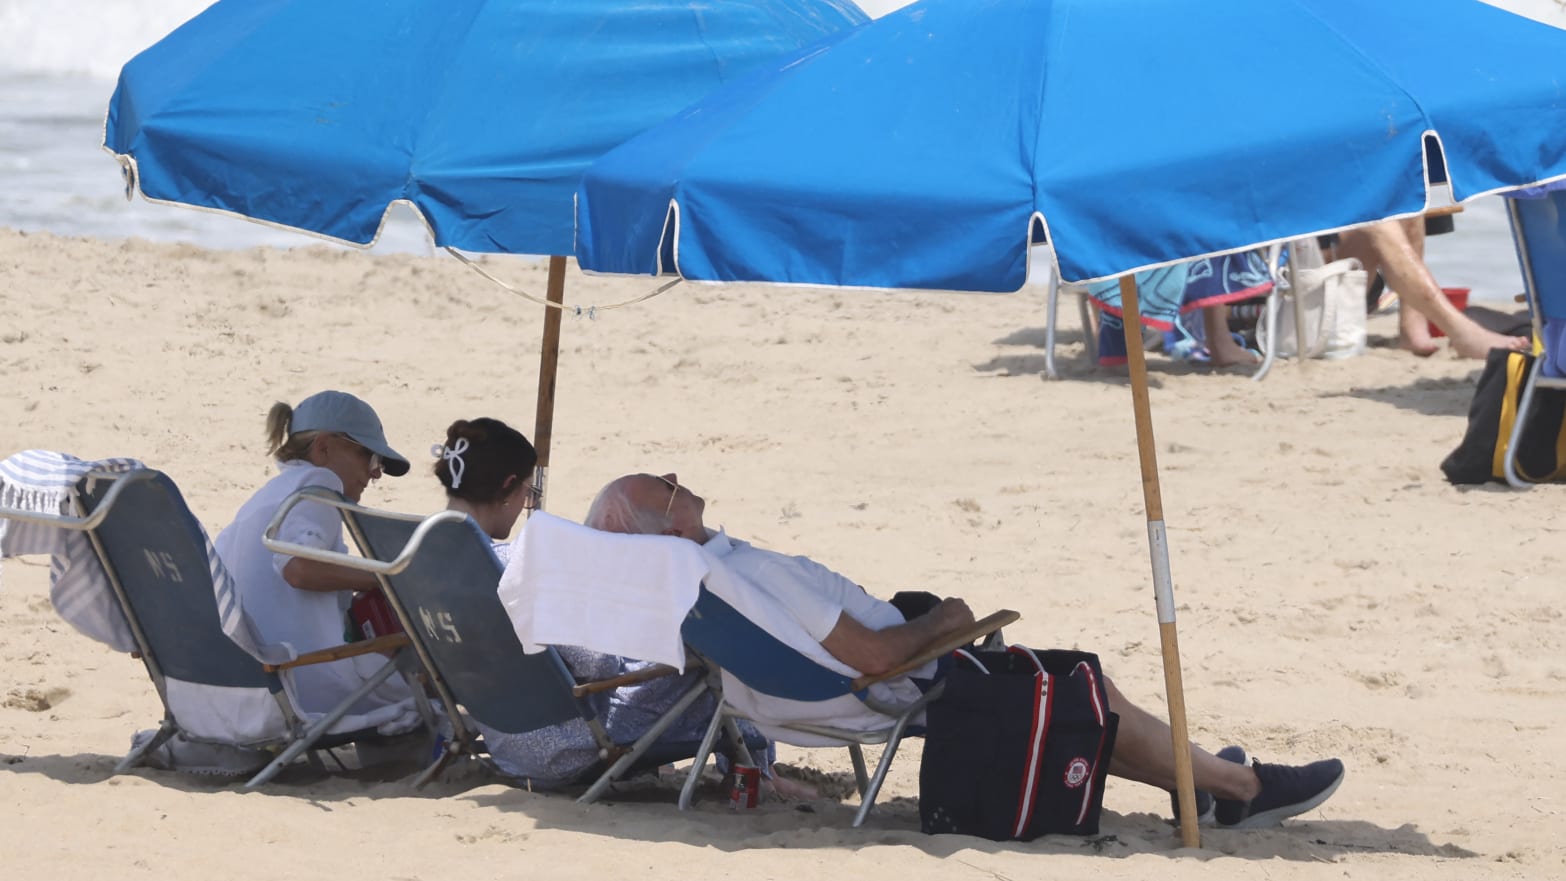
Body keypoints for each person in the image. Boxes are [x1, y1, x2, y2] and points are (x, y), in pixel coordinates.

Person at [584, 471, 1348, 829]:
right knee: (1083, 686)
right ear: (671, 528)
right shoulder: (744, 575)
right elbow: (875, 656)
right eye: (665, 486)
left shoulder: (688, 592)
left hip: (796, 697)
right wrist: (947, 621)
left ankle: (1199, 784)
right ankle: (1240, 788)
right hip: (884, 687)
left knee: (1077, 686)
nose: (679, 479)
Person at [435, 418, 804, 795]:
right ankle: (756, 775)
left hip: (503, 741)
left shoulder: (425, 558)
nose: (526, 504)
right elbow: (600, 664)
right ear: (507, 488)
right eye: (528, 492)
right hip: (565, 747)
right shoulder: (520, 566)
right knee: (715, 647)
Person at [214, 390, 420, 724]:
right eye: (370, 457)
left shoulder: (263, 499)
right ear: (324, 448)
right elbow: (300, 569)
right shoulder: (319, 484)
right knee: (430, 680)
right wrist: (388, 577)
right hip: (306, 684)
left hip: (250, 689)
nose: (376, 473)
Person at [1334, 216, 1528, 358]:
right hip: (1315, 302)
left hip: (1334, 289)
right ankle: (1460, 331)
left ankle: (1412, 325)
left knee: (1402, 204)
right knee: (1379, 220)